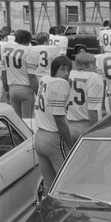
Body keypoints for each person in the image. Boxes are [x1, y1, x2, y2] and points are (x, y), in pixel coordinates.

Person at [34, 55, 74, 193]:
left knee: (49, 184)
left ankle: (47, 213)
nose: (66, 73)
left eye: (69, 69)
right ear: (54, 70)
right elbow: (59, 120)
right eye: (63, 69)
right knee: (68, 181)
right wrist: (70, 144)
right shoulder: (60, 84)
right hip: (53, 138)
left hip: (39, 136)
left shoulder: (45, 80)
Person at [66, 51, 106, 142]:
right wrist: (94, 133)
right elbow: (92, 111)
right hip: (85, 126)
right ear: (86, 65)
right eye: (93, 64)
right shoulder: (94, 77)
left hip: (68, 125)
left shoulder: (70, 74)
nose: (96, 67)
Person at [1, 29, 36, 118]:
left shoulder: (6, 48)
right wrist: (38, 92)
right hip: (26, 88)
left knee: (17, 122)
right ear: (28, 41)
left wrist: (6, 90)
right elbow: (31, 76)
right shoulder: (29, 51)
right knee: (27, 122)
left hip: (12, 88)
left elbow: (4, 72)